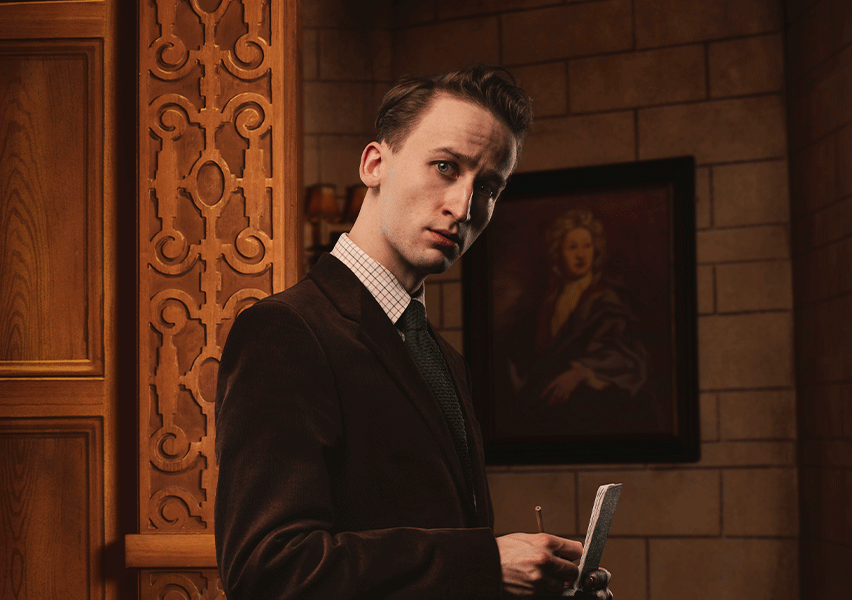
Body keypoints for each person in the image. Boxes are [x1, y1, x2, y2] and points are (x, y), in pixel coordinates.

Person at [214, 65, 614, 600]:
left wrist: (531, 584)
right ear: (374, 164)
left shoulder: (442, 358)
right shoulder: (285, 331)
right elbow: (269, 571)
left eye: (488, 187)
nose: (463, 207)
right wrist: (485, 563)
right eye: (446, 167)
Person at [503, 209, 649, 436]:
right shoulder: (546, 304)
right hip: (547, 417)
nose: (581, 254)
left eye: (587, 246)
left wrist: (580, 372)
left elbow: (627, 356)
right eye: (572, 247)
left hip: (594, 410)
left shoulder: (608, 300)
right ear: (558, 253)